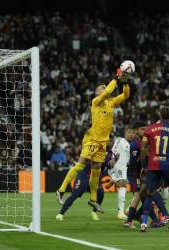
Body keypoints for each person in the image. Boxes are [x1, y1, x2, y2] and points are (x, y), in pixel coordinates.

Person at [56, 69, 130, 212]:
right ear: (97, 93)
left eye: (104, 87)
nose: (103, 89)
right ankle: (61, 189)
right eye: (100, 88)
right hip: (92, 139)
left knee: (96, 171)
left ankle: (93, 200)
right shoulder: (95, 101)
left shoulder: (111, 102)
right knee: (80, 165)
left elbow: (126, 94)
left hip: (103, 142)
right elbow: (108, 91)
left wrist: (125, 81)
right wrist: (116, 77)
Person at [55, 140, 115, 221]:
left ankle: (94, 212)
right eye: (107, 141)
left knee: (100, 193)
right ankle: (60, 214)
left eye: (110, 141)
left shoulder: (110, 153)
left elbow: (109, 166)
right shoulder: (96, 146)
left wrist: (114, 160)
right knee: (75, 195)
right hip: (84, 175)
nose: (108, 142)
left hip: (94, 178)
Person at [108, 127, 134, 220]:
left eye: (132, 133)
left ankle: (124, 210)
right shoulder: (120, 140)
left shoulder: (130, 144)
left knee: (124, 186)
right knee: (122, 185)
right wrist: (113, 158)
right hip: (117, 165)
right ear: (125, 133)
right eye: (129, 132)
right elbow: (114, 150)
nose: (131, 134)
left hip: (124, 168)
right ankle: (121, 212)